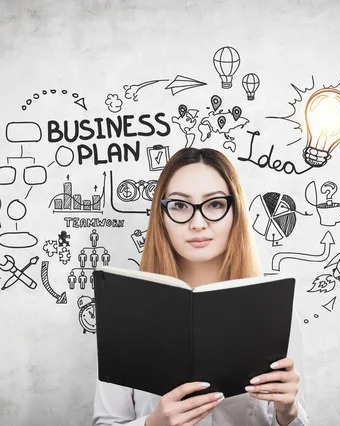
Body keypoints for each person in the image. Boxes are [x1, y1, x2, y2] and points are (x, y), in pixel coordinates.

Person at [92, 148, 311, 426]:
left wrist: (288, 411)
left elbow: (297, 417)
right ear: (162, 215)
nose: (197, 223)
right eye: (180, 205)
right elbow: (105, 422)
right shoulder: (125, 309)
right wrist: (153, 424)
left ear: (235, 212)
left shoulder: (274, 309)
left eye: (215, 204)